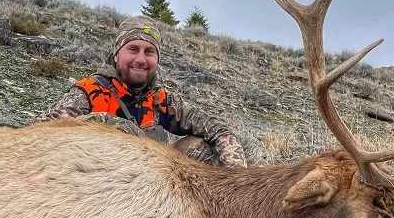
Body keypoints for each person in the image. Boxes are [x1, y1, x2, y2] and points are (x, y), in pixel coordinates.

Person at [38, 15, 247, 167]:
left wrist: (236, 175)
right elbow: (42, 133)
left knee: (200, 148)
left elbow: (218, 129)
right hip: (95, 187)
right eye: (133, 49)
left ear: (156, 60)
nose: (140, 59)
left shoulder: (162, 99)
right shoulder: (89, 91)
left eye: (149, 52)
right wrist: (106, 124)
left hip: (153, 189)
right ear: (117, 54)